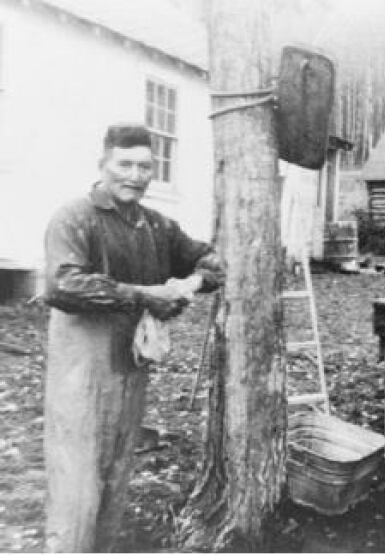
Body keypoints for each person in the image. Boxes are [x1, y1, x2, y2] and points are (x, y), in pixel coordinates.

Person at [43, 123, 223, 551]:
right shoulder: (76, 217)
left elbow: (213, 262)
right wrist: (145, 295)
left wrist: (188, 286)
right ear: (102, 165)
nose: (135, 175)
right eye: (124, 164)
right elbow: (62, 285)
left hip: (131, 366)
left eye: (145, 166)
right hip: (81, 373)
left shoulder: (157, 226)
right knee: (78, 484)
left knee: (117, 475)